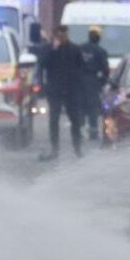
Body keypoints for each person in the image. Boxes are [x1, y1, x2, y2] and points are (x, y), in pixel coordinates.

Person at [38, 25, 85, 160]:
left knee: (75, 120)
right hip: (55, 90)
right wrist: (54, 49)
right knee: (54, 119)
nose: (62, 38)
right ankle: (55, 149)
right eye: (60, 35)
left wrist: (78, 82)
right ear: (55, 36)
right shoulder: (48, 49)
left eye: (64, 35)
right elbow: (43, 65)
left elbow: (81, 67)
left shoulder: (75, 49)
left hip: (71, 89)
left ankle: (77, 148)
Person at [78, 26, 111, 142]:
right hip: (92, 82)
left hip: (79, 82)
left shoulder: (79, 49)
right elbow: (105, 70)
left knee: (80, 106)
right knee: (93, 108)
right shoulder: (101, 51)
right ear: (98, 38)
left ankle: (78, 131)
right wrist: (103, 82)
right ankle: (93, 133)